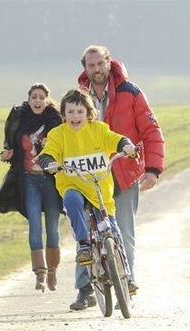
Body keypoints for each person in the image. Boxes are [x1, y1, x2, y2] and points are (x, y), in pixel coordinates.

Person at [73, 45, 165, 309]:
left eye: (100, 64)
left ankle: (128, 282)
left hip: (123, 172)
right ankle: (84, 291)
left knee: (123, 230)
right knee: (85, 233)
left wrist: (153, 169)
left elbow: (151, 130)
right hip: (89, 174)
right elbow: (64, 131)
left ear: (108, 63)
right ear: (85, 68)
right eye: (91, 66)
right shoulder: (78, 97)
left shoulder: (131, 93)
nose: (96, 70)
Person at [38, 88, 137, 310]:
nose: (75, 116)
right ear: (63, 114)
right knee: (72, 200)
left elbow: (117, 140)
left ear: (89, 113)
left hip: (99, 190)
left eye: (79, 111)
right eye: (70, 111)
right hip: (73, 185)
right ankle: (84, 244)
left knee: (112, 229)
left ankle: (126, 276)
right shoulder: (58, 134)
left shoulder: (99, 130)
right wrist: (49, 163)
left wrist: (126, 147)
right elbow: (48, 153)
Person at [0, 83, 63, 292]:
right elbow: (10, 143)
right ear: (29, 99)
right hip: (29, 179)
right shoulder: (19, 120)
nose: (37, 101)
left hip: (50, 181)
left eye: (41, 97)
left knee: (53, 228)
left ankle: (52, 271)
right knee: (34, 225)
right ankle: (39, 272)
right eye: (34, 97)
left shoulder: (56, 122)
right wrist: (8, 153)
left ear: (47, 100)